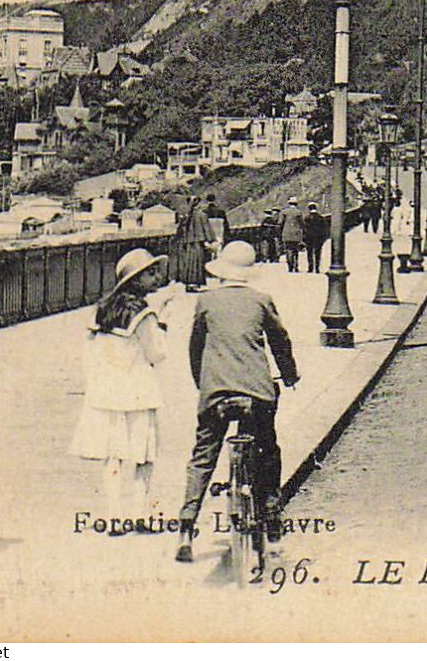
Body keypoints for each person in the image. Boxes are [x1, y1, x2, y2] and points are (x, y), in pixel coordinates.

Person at [175, 242, 299, 564]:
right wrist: (289, 374)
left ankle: (186, 529)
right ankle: (271, 520)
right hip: (256, 393)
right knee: (267, 450)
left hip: (215, 392)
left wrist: (202, 385)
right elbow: (280, 341)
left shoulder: (206, 301)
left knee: (203, 457)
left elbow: (195, 348)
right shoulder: (261, 300)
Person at [68, 248, 171, 525]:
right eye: (151, 273)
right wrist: (163, 322)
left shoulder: (102, 310)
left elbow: (91, 351)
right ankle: (139, 514)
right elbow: (157, 353)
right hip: (138, 389)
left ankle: (114, 515)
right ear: (136, 280)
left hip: (107, 391)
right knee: (142, 455)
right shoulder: (144, 313)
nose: (157, 277)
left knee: (112, 456)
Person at [175, 196, 212, 290]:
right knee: (197, 262)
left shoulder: (186, 215)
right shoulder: (201, 215)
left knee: (188, 262)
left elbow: (180, 229)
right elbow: (206, 229)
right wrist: (209, 240)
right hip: (198, 242)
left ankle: (188, 282)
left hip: (188, 241)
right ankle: (196, 282)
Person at [390, 196, 416, 273]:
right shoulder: (401, 209)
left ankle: (394, 231)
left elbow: (393, 214)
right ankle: (396, 231)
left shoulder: (396, 209)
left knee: (395, 225)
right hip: (399, 219)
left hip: (397, 219)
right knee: (397, 225)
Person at [301, 203, 327, 274]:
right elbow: (325, 229)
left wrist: (303, 238)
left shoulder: (307, 218)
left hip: (309, 237)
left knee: (309, 252)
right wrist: (323, 238)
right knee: (318, 252)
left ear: (309, 209)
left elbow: (304, 228)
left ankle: (310, 267)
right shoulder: (320, 218)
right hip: (319, 237)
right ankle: (317, 268)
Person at [279, 198, 305, 272]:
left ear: (289, 203)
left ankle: (290, 266)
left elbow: (280, 223)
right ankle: (296, 266)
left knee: (288, 250)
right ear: (296, 204)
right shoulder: (299, 212)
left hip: (286, 233)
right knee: (296, 250)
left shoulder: (284, 212)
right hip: (296, 234)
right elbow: (302, 224)